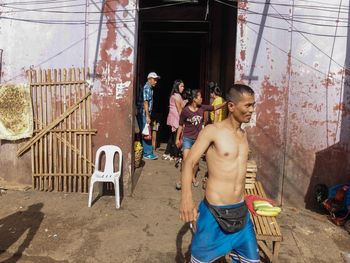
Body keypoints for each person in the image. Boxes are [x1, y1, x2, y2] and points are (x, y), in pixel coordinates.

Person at [179, 84, 259, 263]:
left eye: (253, 105)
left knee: (251, 261)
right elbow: (189, 162)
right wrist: (186, 197)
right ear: (231, 106)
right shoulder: (212, 131)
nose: (251, 110)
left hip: (240, 212)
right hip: (215, 213)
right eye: (247, 105)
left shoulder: (244, 135)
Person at [175, 89, 226, 190]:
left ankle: (193, 177)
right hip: (187, 138)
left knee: (196, 162)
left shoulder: (202, 107)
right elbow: (181, 125)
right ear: (194, 99)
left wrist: (226, 103)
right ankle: (182, 180)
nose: (202, 98)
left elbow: (215, 107)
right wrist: (177, 139)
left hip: (198, 140)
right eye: (200, 97)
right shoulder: (185, 111)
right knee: (186, 161)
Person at [137, 72, 161, 160]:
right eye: (154, 80)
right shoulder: (147, 88)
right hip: (143, 113)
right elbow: (145, 102)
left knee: (145, 132)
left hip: (144, 113)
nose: (156, 82)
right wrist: (147, 116)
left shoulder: (150, 88)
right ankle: (147, 153)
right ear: (149, 79)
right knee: (146, 132)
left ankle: (146, 152)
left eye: (156, 80)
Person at [163, 79, 186, 161]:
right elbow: (179, 110)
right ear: (177, 87)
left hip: (173, 117)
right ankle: (176, 155)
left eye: (183, 86)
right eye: (181, 86)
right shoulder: (177, 96)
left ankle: (167, 153)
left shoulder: (175, 95)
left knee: (172, 137)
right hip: (176, 118)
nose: (183, 88)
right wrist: (183, 121)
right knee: (177, 137)